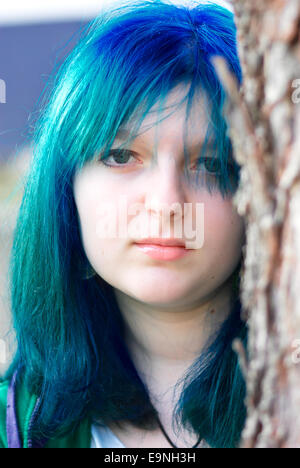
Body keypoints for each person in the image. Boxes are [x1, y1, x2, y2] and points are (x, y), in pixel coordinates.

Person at [0, 0, 247, 448]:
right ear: (65, 190)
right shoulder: (10, 423)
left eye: (211, 163)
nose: (167, 203)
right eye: (121, 156)